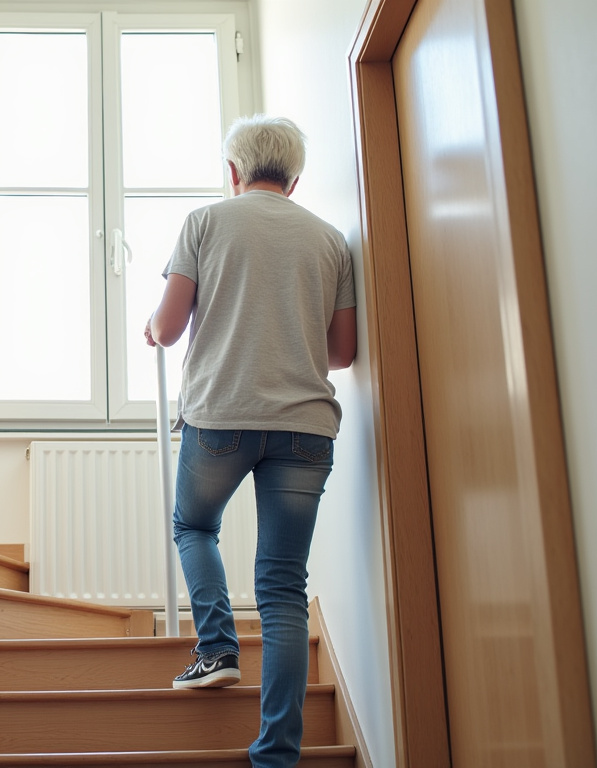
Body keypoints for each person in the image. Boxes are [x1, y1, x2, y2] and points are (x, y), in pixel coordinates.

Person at [143, 114, 357, 768]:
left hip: (222, 418)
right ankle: (276, 755)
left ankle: (217, 649)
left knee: (193, 526)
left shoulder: (205, 223)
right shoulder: (329, 241)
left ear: (233, 172)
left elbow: (172, 327)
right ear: (294, 179)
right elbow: (342, 352)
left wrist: (153, 328)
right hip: (304, 427)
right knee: (284, 589)